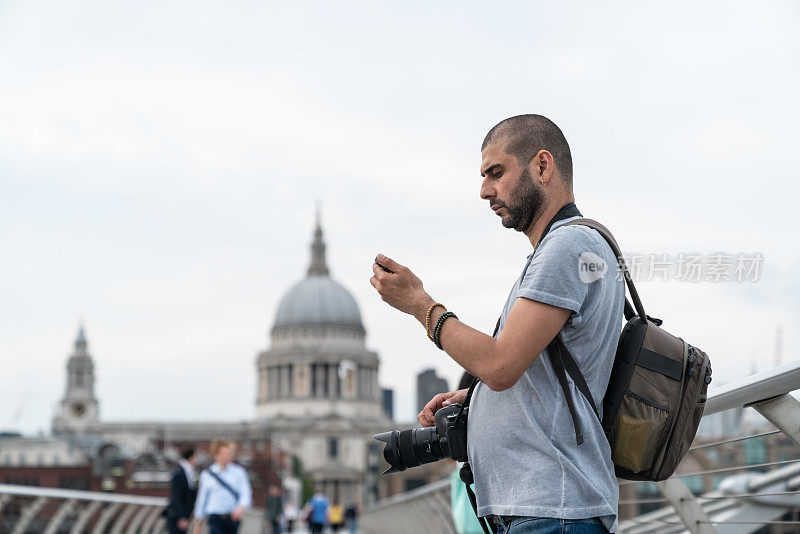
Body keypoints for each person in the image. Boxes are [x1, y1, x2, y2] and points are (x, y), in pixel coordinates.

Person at [369, 115, 623, 533]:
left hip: (551, 510)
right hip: (541, 509)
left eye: (496, 173)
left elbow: (501, 365)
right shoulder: (561, 250)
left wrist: (420, 305)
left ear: (542, 166)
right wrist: (474, 398)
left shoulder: (567, 246)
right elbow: (532, 371)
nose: (485, 190)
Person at [193, 440, 253, 534]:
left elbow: (246, 493)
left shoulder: (239, 472)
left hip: (232, 518)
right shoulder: (207, 475)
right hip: (215, 518)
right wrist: (198, 523)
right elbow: (202, 499)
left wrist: (240, 508)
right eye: (225, 453)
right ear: (216, 455)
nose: (229, 456)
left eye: (230, 453)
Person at [166, 448, 198, 534]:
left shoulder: (188, 472)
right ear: (191, 457)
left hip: (184, 516)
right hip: (177, 518)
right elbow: (175, 497)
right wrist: (181, 517)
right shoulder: (179, 473)